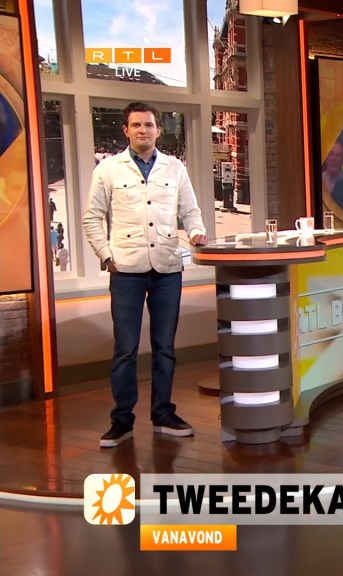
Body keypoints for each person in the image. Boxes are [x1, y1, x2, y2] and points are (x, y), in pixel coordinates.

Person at [82, 102, 207, 448]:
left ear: (158, 130)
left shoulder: (174, 167)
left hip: (167, 268)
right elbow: (92, 217)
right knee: (125, 349)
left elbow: (190, 210)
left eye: (149, 125)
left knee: (165, 347)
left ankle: (163, 413)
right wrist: (106, 255)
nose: (143, 130)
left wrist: (197, 232)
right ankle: (121, 420)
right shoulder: (108, 169)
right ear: (126, 130)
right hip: (126, 269)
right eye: (136, 125)